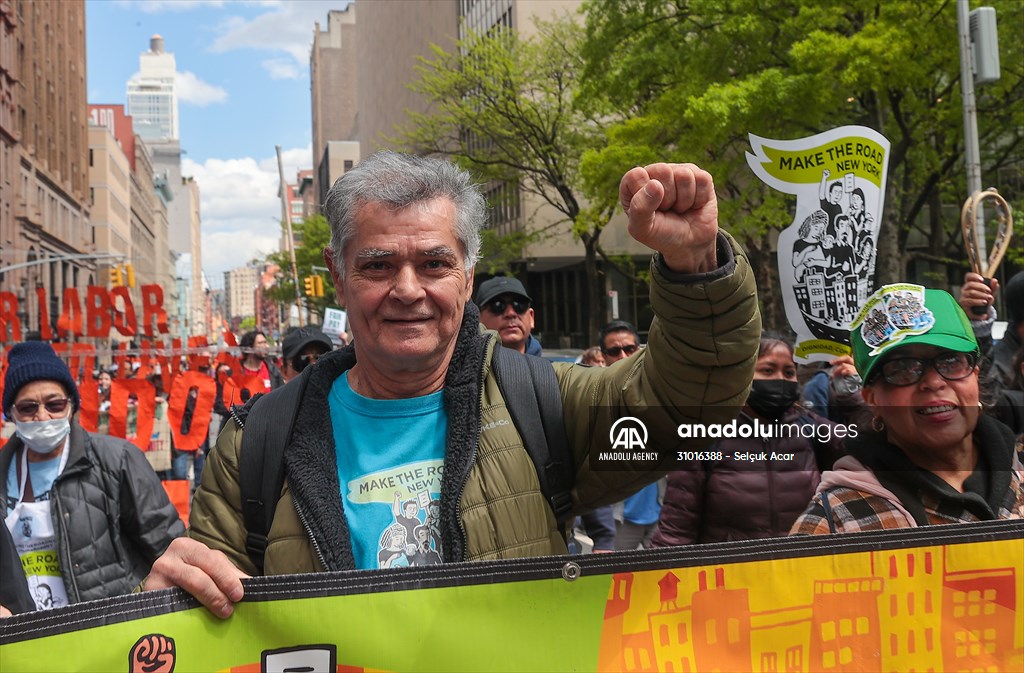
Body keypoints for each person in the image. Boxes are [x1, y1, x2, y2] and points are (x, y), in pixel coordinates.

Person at [143, 152, 761, 618]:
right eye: (378, 264)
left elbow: (690, 405)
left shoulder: (542, 403)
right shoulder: (254, 446)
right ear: (338, 275)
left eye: (434, 263)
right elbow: (212, 628)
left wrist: (694, 266)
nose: (408, 290)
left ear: (468, 276)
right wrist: (170, 608)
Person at [790, 284, 1024, 534]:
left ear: (974, 376)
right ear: (872, 399)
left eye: (950, 361)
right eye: (902, 368)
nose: (934, 382)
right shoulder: (833, 523)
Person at [0, 342, 184, 614]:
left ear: (71, 406)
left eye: (54, 404)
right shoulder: (4, 472)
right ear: (12, 413)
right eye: (28, 408)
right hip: (24, 645)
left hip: (108, 635)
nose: (42, 416)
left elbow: (169, 548)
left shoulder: (117, 460)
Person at [652, 336, 845, 546]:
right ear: (740, 376)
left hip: (800, 572)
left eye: (789, 372)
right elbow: (676, 531)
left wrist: (852, 392)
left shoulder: (810, 428)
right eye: (768, 370)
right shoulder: (703, 438)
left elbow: (869, 445)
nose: (780, 379)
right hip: (732, 574)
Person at [475, 276, 541, 355]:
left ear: (531, 317)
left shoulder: (552, 367)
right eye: (497, 306)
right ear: (478, 319)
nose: (510, 313)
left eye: (519, 305)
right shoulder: (463, 366)